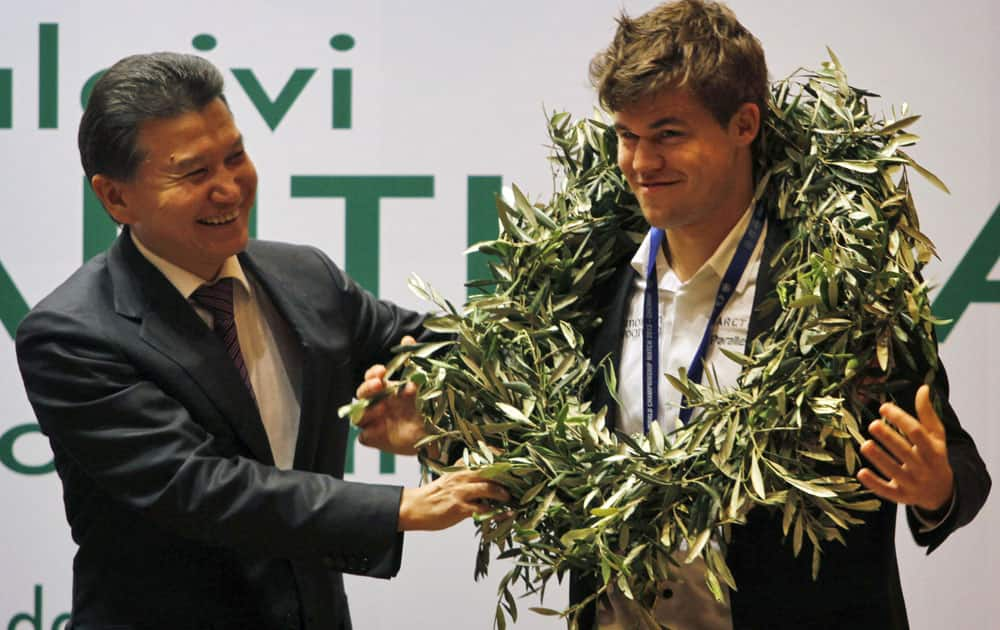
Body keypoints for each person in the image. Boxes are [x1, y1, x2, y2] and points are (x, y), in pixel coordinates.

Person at [360, 2, 990, 629]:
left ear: (744, 125)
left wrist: (933, 487)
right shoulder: (590, 286)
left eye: (668, 134)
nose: (640, 163)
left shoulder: (839, 291)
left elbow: (959, 467)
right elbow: (553, 468)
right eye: (627, 136)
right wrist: (440, 439)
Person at [15, 51, 507, 630]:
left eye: (236, 156)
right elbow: (199, 486)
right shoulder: (72, 335)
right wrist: (399, 507)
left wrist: (435, 409)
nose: (229, 188)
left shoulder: (306, 278)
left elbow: (429, 349)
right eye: (195, 174)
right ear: (115, 197)